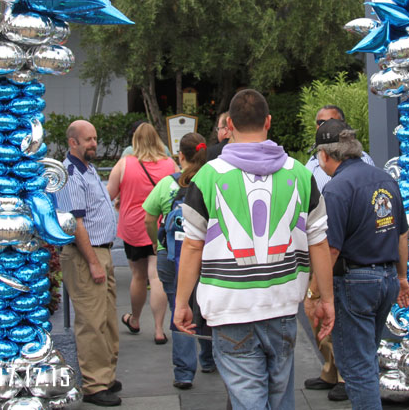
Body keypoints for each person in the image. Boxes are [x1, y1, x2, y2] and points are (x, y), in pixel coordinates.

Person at [173, 88, 336, 410]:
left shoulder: (207, 177)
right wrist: (326, 300)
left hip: (229, 308)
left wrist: (181, 302)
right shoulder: (301, 174)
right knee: (280, 398)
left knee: (248, 401)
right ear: (269, 122)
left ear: (229, 124)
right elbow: (319, 242)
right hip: (282, 307)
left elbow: (192, 245)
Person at [315, 119, 409, 409]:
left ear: (325, 155)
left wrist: (320, 295)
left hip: (355, 280)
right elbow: (402, 235)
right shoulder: (384, 178)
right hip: (386, 279)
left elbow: (330, 249)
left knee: (356, 366)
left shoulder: (336, 189)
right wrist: (402, 277)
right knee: (367, 357)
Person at [304, 104, 371, 397]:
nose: (323, 127)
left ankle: (346, 376)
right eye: (319, 122)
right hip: (318, 247)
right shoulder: (310, 164)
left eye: (329, 122)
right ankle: (331, 370)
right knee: (317, 315)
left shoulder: (362, 161)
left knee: (339, 315)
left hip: (346, 252)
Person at [53, 120, 122, 406]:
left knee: (107, 319)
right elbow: (75, 224)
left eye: (95, 138)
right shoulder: (70, 174)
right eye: (88, 140)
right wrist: (93, 262)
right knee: (92, 323)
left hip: (101, 252)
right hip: (86, 255)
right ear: (73, 143)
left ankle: (105, 374)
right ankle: (95, 385)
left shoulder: (89, 168)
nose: (94, 143)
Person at [143, 132, 216, 389]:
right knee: (207, 307)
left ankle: (184, 373)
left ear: (180, 156)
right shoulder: (212, 181)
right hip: (207, 256)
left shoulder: (167, 184)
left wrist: (156, 242)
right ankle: (209, 359)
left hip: (171, 255)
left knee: (179, 308)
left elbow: (149, 217)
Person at [108, 122, 177, 343]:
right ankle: (159, 329)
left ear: (135, 141)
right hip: (161, 226)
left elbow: (107, 195)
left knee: (138, 276)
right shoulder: (170, 164)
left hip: (133, 227)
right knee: (156, 277)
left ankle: (135, 319)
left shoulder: (124, 164)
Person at [306, 104, 374, 192]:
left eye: (333, 121)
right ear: (316, 126)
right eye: (322, 122)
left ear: (343, 125)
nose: (327, 126)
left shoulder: (362, 158)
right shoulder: (311, 164)